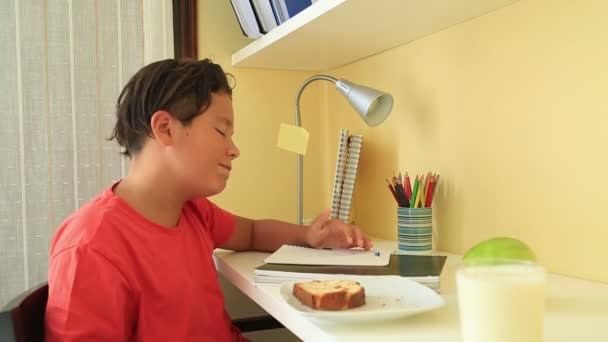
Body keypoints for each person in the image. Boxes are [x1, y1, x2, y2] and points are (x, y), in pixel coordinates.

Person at [45, 58, 373, 341]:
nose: (234, 149)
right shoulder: (92, 246)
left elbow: (253, 232)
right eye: (221, 131)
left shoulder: (192, 210)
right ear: (166, 129)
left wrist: (309, 236)